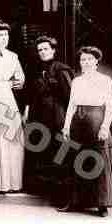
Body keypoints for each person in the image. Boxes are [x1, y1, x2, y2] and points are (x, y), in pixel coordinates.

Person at [60, 46, 112, 217]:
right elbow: (71, 105)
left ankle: (102, 204)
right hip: (78, 122)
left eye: (89, 59)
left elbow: (111, 106)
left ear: (96, 61)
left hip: (96, 119)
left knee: (98, 161)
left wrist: (104, 127)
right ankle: (77, 201)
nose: (86, 63)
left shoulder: (105, 80)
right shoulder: (76, 81)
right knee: (77, 160)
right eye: (83, 60)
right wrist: (66, 126)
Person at [23, 36, 74, 203]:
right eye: (40, 50)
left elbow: (69, 97)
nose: (42, 52)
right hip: (40, 118)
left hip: (57, 117)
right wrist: (28, 111)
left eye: (45, 49)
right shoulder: (37, 69)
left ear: (53, 50)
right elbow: (32, 95)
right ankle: (48, 193)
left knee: (59, 154)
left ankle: (62, 197)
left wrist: (67, 122)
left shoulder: (61, 69)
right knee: (44, 153)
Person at [0, 20, 25, 193]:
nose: (4, 38)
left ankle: (12, 182)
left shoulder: (13, 56)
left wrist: (16, 82)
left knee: (12, 135)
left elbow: (20, 78)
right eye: (0, 35)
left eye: (6, 35)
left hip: (7, 95)